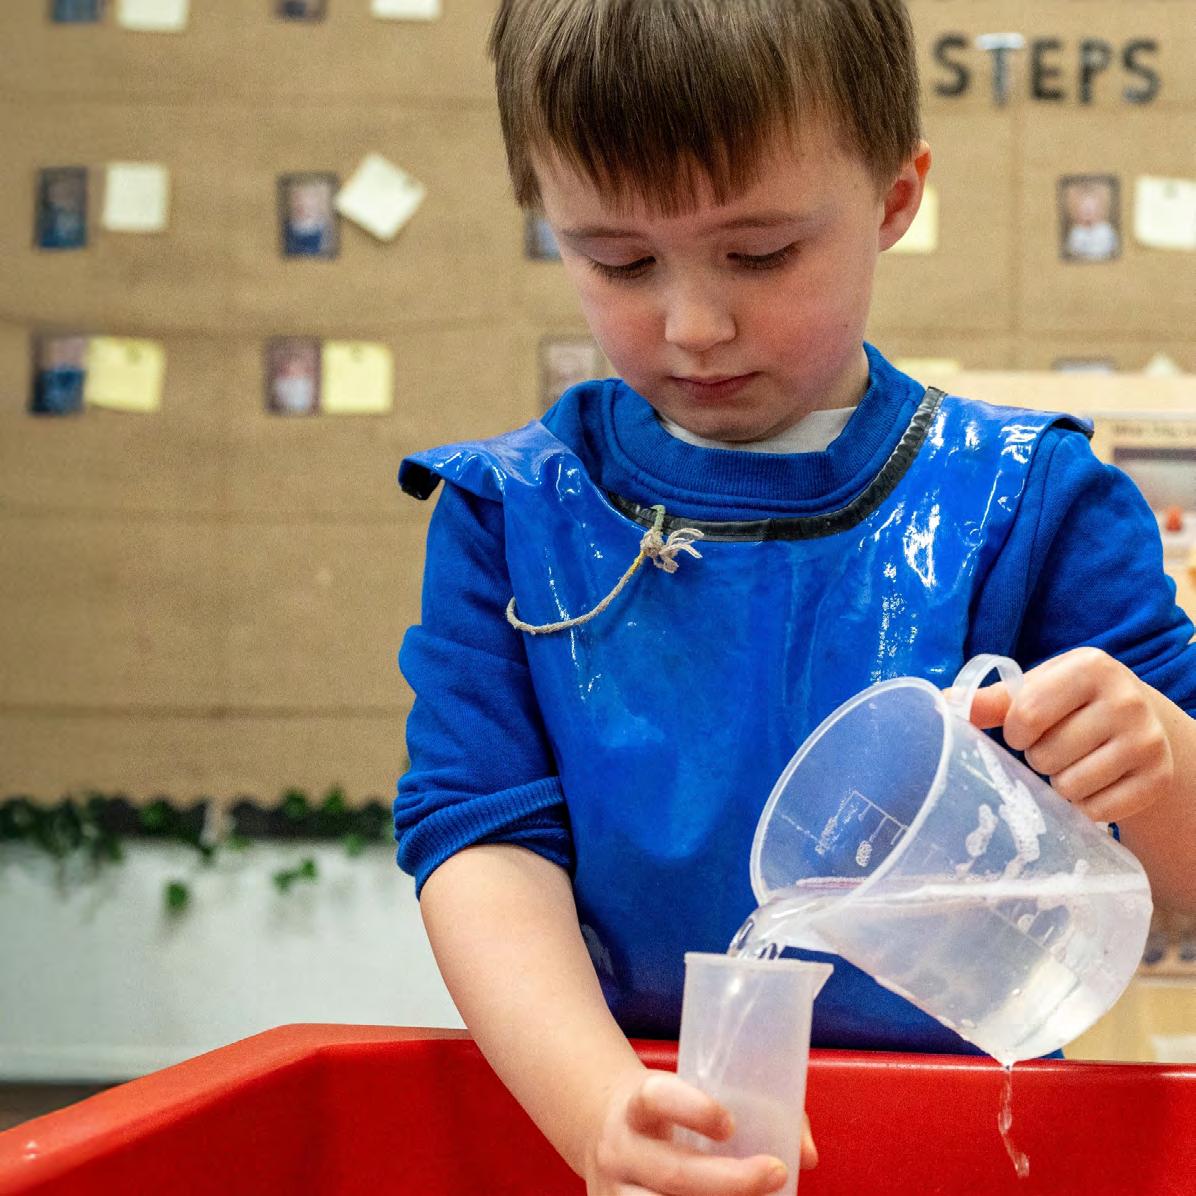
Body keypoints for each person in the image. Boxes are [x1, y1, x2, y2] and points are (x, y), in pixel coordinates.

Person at [394, 3, 1196, 1194]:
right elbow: (481, 842)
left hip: (967, 1138)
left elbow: (1181, 876)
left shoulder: (1030, 503)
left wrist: (1160, 761)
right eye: (618, 261)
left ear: (892, 199)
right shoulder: (511, 515)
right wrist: (598, 1107)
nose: (693, 325)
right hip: (627, 1113)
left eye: (759, 253)